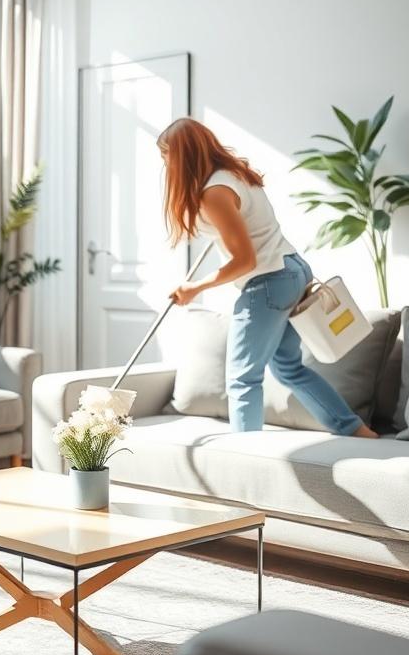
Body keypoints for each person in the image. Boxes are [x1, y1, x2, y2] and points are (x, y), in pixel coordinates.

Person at [157, 117, 377, 437]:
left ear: (184, 155)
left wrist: (196, 287)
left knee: (242, 378)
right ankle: (358, 431)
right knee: (288, 367)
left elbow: (246, 260)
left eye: (166, 154)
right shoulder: (232, 175)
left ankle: (246, 463)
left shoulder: (214, 192)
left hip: (268, 282)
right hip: (291, 269)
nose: (164, 162)